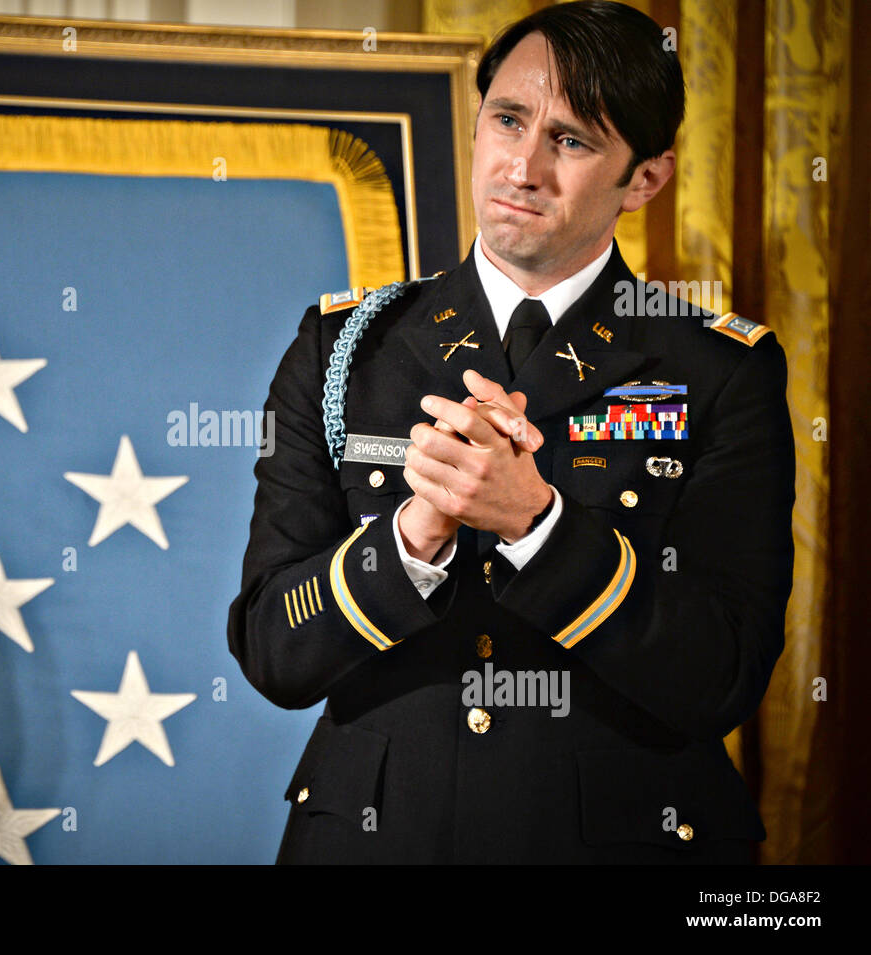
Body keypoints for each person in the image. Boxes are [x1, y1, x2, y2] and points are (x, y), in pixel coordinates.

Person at [226, 0, 795, 864]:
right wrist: (411, 539)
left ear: (645, 179)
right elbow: (275, 650)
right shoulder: (345, 348)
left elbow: (723, 672)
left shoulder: (720, 370)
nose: (522, 166)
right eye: (508, 119)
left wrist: (540, 525)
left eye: (571, 140)